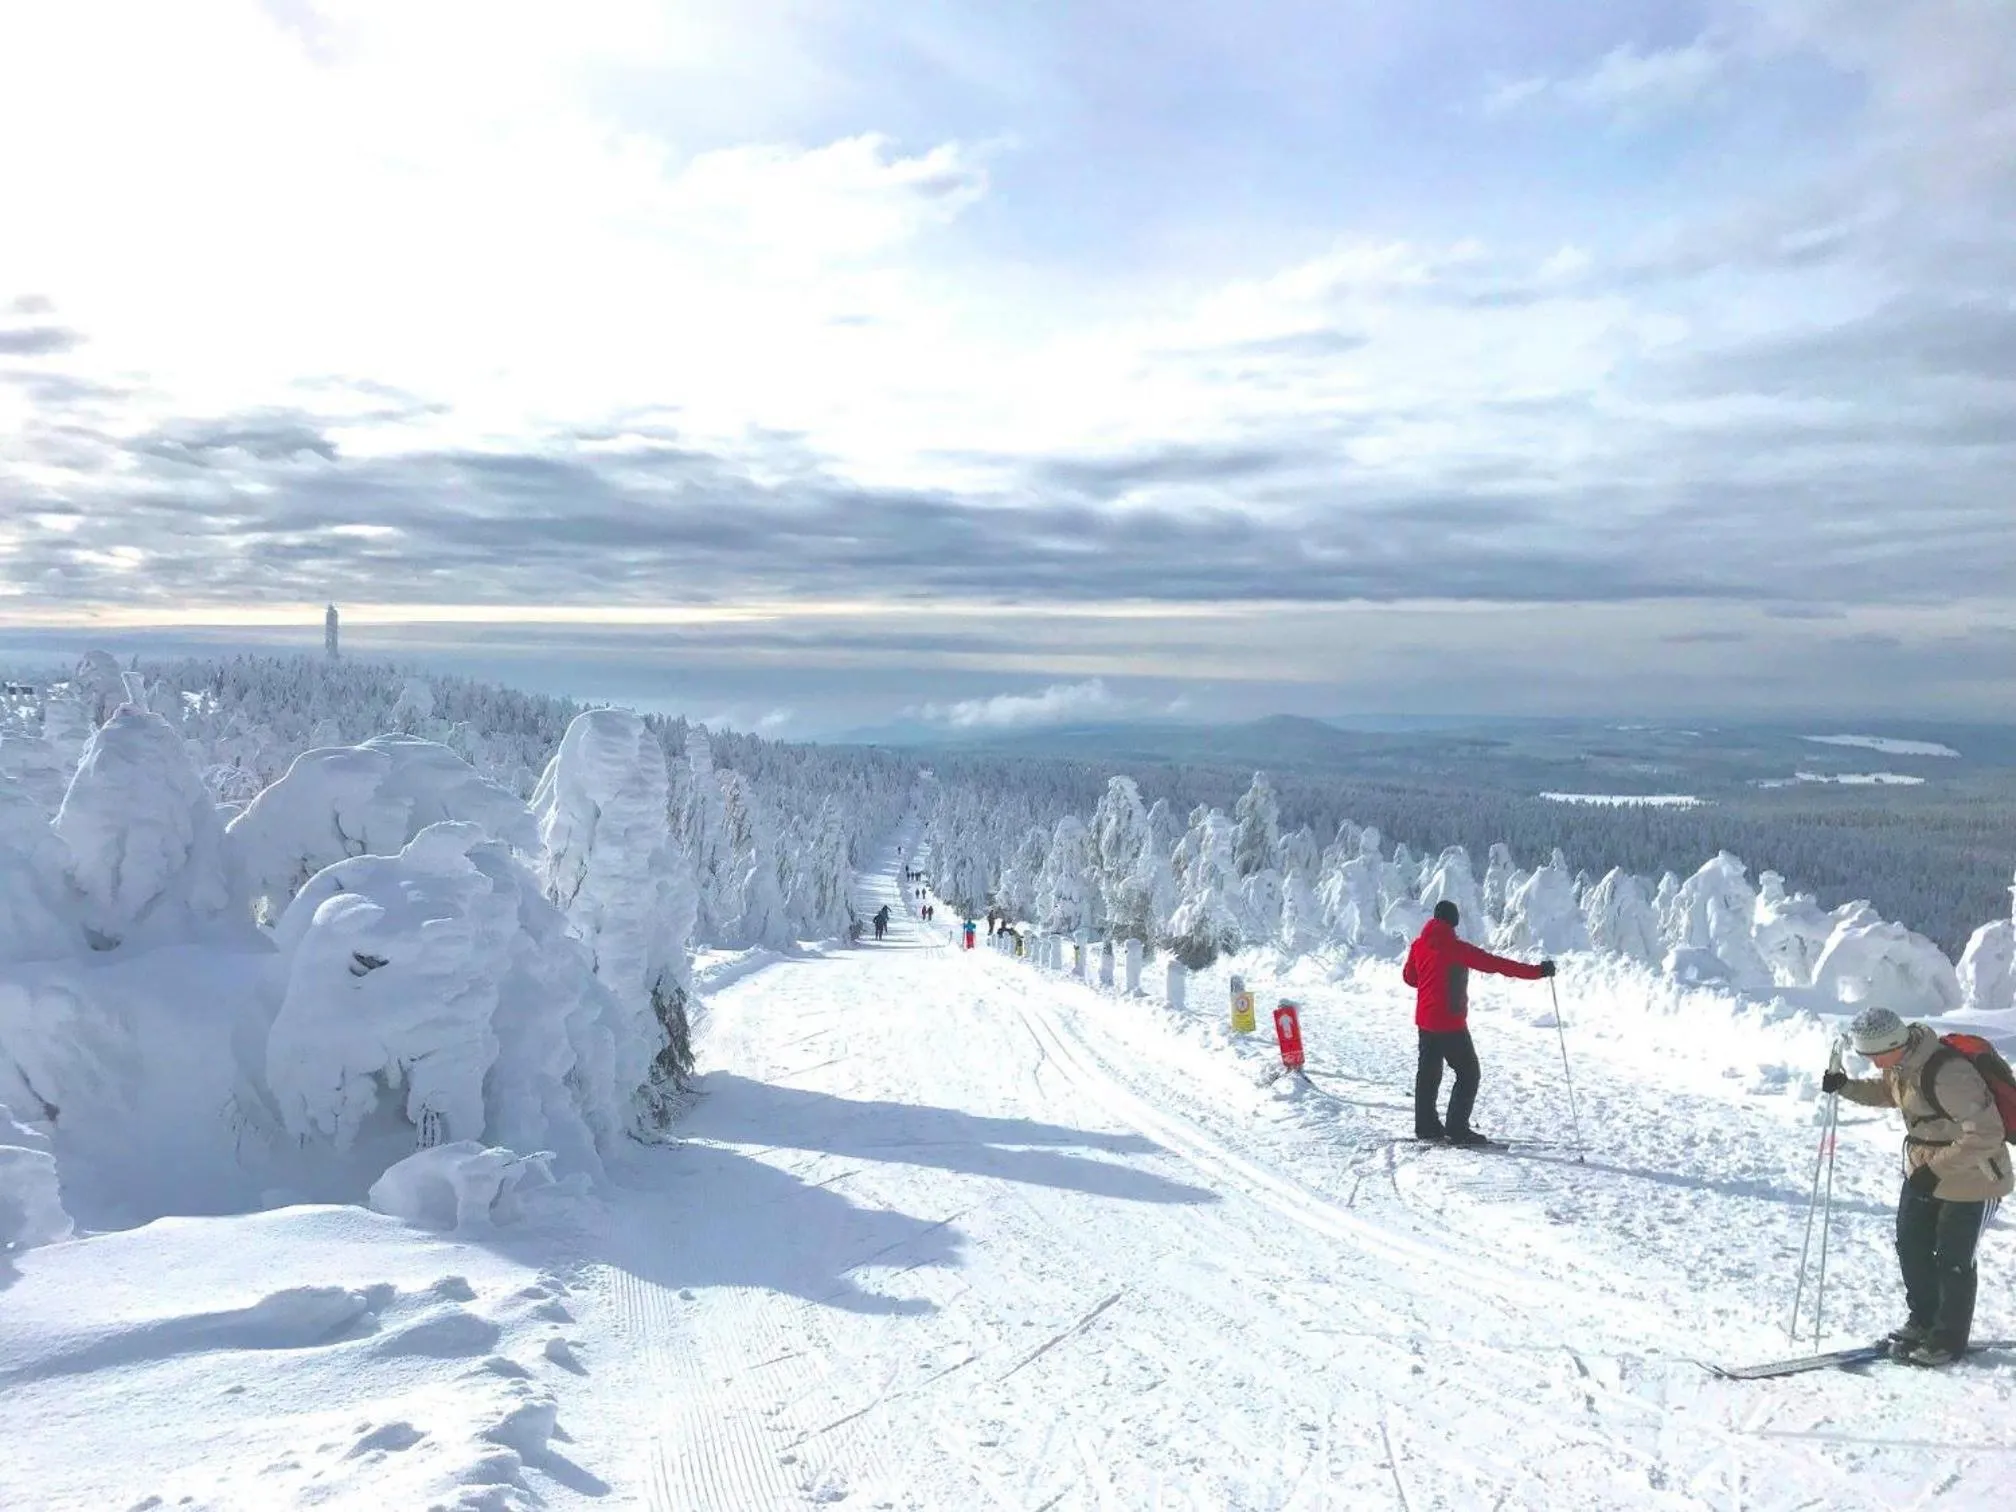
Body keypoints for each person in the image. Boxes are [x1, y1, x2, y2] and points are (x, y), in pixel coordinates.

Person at [1823, 1006, 2012, 1366]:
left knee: (1953, 1258)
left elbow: (1988, 1133)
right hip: (1926, 1170)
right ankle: (1924, 1319)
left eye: (1877, 1055)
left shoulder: (1949, 1074)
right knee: (1912, 1245)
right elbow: (1889, 1093)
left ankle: (1947, 1339)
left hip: (1974, 1177)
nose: (1876, 1064)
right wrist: (1846, 1087)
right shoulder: (1901, 1063)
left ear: (1895, 1043)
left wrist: (1936, 1169)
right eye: (1869, 1056)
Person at [1402, 900, 1553, 1147]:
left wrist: (1431, 979)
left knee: (1428, 1074)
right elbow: (1499, 965)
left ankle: (1426, 1127)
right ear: (1453, 922)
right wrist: (1538, 971)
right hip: (1450, 1024)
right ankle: (1457, 1129)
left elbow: (1410, 978)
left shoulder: (1418, 945)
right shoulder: (1457, 949)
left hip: (1425, 1023)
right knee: (1468, 1073)